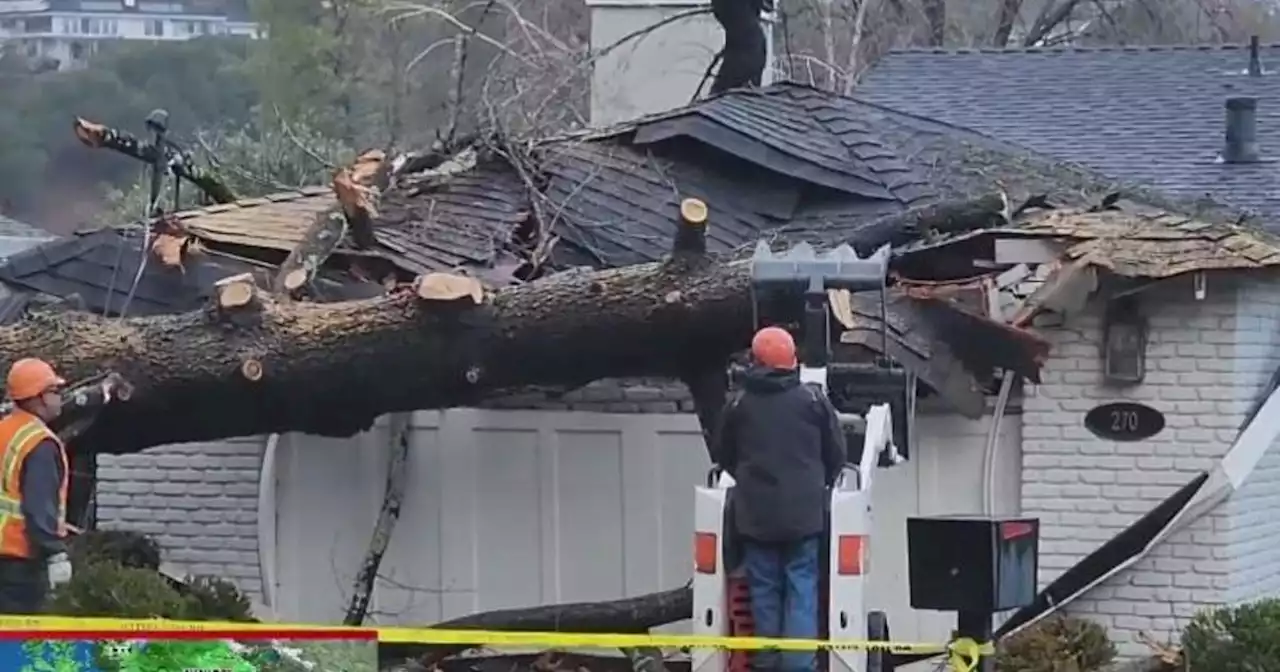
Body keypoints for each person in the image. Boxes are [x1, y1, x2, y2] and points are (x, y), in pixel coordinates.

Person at [711, 327, 847, 672]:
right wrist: (818, 485)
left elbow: (723, 455)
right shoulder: (813, 401)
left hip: (755, 516)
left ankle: (766, 662)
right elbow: (836, 454)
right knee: (802, 588)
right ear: (792, 362)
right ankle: (799, 665)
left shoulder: (738, 404)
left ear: (754, 362)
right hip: (804, 515)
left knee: (763, 590)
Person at [0, 358, 72, 614]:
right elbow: (39, 505)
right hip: (18, 564)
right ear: (37, 397)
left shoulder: (4, 430)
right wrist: (55, 553)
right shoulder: (38, 443)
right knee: (18, 645)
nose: (59, 397)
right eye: (54, 391)